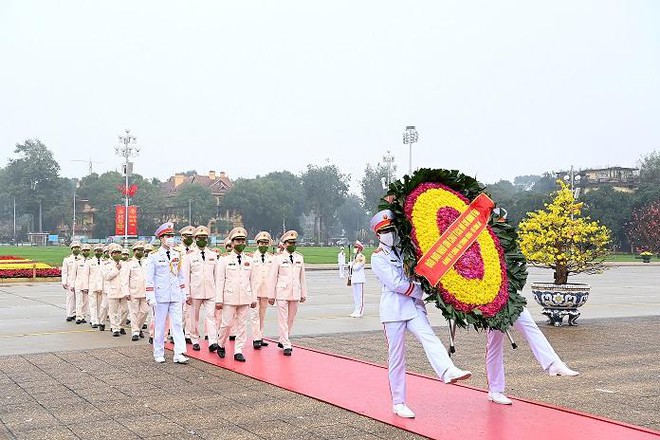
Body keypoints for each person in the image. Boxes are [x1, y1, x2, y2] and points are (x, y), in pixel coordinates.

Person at [370, 209, 472, 419]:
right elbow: (396, 284)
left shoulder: (403, 251)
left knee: (429, 337)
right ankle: (399, 402)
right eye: (385, 230)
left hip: (413, 307)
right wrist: (424, 290)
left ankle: (447, 370)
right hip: (394, 310)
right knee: (397, 358)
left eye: (392, 228)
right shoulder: (378, 258)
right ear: (378, 235)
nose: (390, 233)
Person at [486, 309, 579, 405]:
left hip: (508, 298)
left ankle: (553, 363)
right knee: (495, 343)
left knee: (529, 325)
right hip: (489, 302)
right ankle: (495, 390)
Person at [145, 222, 189, 364]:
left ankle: (179, 353)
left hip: (175, 294)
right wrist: (150, 296)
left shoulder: (178, 254)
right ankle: (158, 352)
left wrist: (184, 294)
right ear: (161, 238)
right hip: (160, 296)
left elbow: (181, 276)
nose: (170, 238)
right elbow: (149, 279)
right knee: (160, 325)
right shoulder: (153, 256)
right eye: (167, 236)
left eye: (172, 236)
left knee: (177, 324)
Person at [215, 227, 256, 362]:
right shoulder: (224, 260)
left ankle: (238, 350)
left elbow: (253, 281)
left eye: (242, 241)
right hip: (229, 297)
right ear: (232, 243)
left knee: (242, 325)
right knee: (226, 324)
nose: (240, 243)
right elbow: (220, 281)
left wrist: (253, 298)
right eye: (237, 241)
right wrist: (218, 300)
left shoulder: (250, 260)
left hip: (245, 297)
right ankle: (220, 344)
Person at [267, 230, 307, 356]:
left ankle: (283, 338)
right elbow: (272, 278)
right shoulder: (278, 259)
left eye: (294, 242)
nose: (292, 244)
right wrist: (271, 295)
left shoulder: (299, 257)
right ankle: (287, 344)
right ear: (284, 244)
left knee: (291, 318)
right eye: (290, 242)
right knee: (282, 319)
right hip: (282, 292)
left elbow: (302, 277)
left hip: (295, 291)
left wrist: (303, 293)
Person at [182, 226, 220, 352]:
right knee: (194, 318)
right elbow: (186, 276)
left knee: (211, 316)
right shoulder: (189, 256)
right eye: (200, 238)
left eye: (204, 238)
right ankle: (194, 339)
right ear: (195, 239)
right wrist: (186, 293)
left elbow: (217, 276)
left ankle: (213, 341)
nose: (202, 240)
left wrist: (218, 293)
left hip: (210, 291)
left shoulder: (213, 255)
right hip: (195, 292)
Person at [249, 231, 274, 349]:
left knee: (262, 316)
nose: (263, 245)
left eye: (266, 243)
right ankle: (256, 338)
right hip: (254, 291)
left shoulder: (272, 258)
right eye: (261, 243)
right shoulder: (251, 257)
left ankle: (260, 335)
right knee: (254, 316)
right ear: (257, 244)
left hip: (265, 291)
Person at [124, 241, 149, 341]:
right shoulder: (129, 263)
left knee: (145, 311)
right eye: (139, 250)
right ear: (134, 251)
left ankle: (138, 328)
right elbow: (124, 279)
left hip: (145, 292)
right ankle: (135, 332)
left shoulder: (146, 262)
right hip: (133, 292)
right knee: (134, 313)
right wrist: (126, 292)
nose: (141, 252)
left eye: (142, 250)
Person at [103, 244, 129, 337]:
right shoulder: (107, 264)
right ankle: (115, 328)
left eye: (118, 253)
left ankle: (121, 325)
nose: (117, 254)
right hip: (113, 290)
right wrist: (116, 270)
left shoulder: (125, 264)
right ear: (111, 254)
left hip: (123, 290)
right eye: (115, 253)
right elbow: (106, 277)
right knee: (113, 311)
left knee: (125, 310)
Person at [85, 244, 106, 329]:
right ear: (94, 252)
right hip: (92, 286)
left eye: (100, 251)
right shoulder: (89, 261)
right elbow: (86, 275)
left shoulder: (104, 261)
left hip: (101, 287)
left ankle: (99, 319)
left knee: (100, 305)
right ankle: (94, 320)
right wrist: (85, 287)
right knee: (93, 304)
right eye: (97, 251)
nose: (99, 252)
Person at [61, 241, 81, 322]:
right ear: (71, 249)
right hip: (70, 281)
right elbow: (64, 272)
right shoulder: (67, 259)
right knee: (70, 298)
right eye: (74, 248)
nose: (76, 249)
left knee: (79, 299)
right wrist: (64, 282)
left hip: (79, 281)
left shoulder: (82, 259)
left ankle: (78, 314)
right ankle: (69, 314)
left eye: (77, 248)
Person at [74, 243, 92, 324]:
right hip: (78, 283)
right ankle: (78, 316)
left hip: (87, 284)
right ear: (81, 251)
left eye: (87, 250)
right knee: (79, 301)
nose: (86, 252)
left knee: (85, 301)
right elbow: (73, 274)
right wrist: (72, 284)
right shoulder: (77, 261)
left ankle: (83, 316)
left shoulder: (91, 261)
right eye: (84, 250)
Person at [349, 241, 366, 318]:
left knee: (360, 296)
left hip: (360, 279)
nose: (354, 249)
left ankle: (360, 311)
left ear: (359, 249)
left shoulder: (361, 256)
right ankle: (356, 310)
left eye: (356, 247)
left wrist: (352, 264)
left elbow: (356, 267)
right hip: (355, 279)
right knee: (355, 296)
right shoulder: (355, 257)